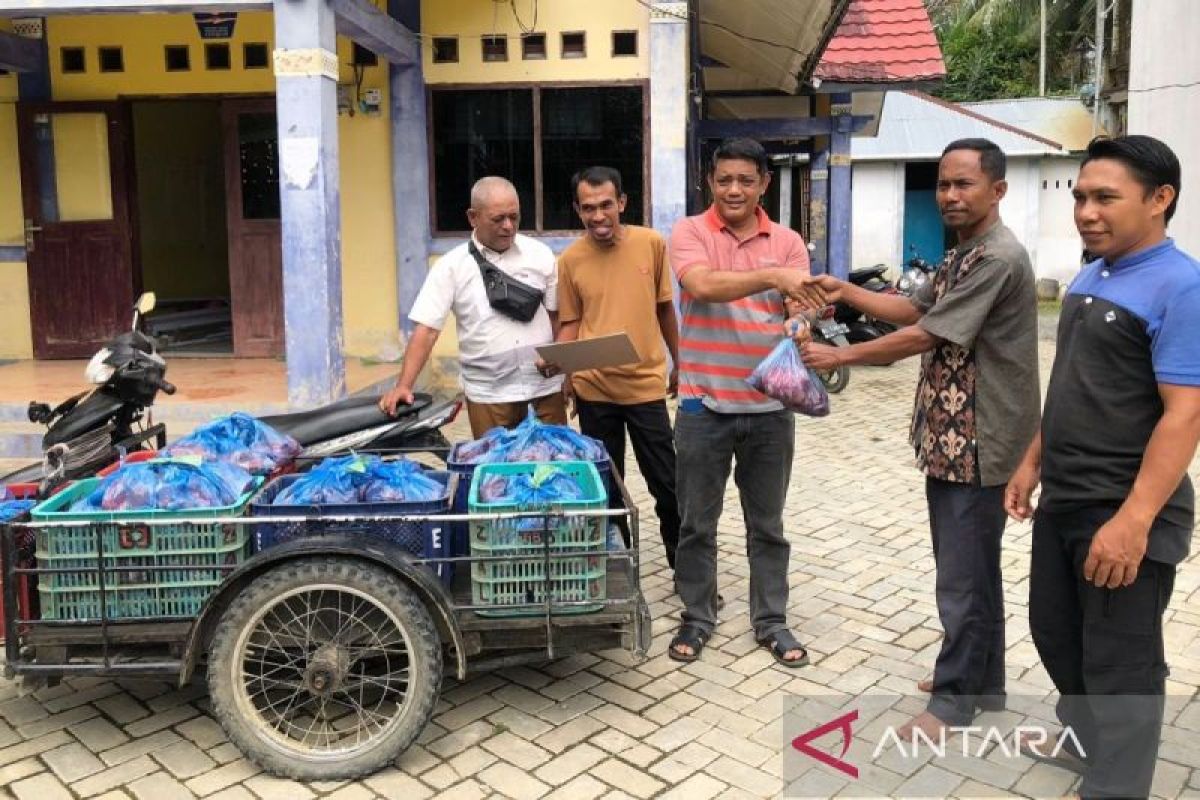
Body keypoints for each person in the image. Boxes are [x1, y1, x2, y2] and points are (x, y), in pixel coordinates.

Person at [800, 138, 1040, 736]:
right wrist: (843, 289)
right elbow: (912, 307)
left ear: (998, 190)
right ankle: (981, 682)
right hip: (952, 440)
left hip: (982, 441)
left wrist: (842, 356)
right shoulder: (965, 253)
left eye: (964, 184)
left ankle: (954, 703)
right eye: (943, 184)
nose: (950, 195)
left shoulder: (997, 259)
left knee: (962, 577)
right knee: (971, 571)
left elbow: (926, 334)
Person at [1005, 135, 1200, 799]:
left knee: (1122, 662)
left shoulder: (1182, 286)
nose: (1086, 210)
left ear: (1160, 199)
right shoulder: (1094, 274)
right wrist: (1032, 461)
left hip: (1125, 506)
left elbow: (1185, 417)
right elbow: (1068, 384)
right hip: (1067, 495)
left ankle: (1116, 786)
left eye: (1105, 198)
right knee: (1055, 631)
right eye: (1081, 197)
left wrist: (1135, 519)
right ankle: (1081, 739)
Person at [666, 137, 819, 667]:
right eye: (724, 179)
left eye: (746, 180)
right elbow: (702, 285)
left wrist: (800, 324)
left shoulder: (790, 241)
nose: (734, 189)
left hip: (771, 410)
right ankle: (697, 615)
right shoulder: (689, 233)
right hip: (702, 407)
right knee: (695, 525)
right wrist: (773, 276)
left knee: (768, 526)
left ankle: (771, 621)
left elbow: (803, 308)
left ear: (763, 185)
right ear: (710, 181)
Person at [543, 166, 682, 569]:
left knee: (668, 483)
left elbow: (663, 308)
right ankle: (621, 564)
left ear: (622, 202)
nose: (598, 215)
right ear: (577, 210)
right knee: (608, 485)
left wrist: (680, 363)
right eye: (588, 208)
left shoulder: (651, 244)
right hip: (594, 390)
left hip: (645, 388)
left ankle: (682, 564)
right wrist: (560, 367)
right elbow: (571, 322)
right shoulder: (569, 260)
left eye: (606, 205)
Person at [379, 176, 566, 436]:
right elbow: (427, 330)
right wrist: (404, 385)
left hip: (544, 390)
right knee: (495, 471)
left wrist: (565, 370)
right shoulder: (450, 266)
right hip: (489, 395)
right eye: (498, 219)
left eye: (514, 217)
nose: (508, 226)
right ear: (473, 217)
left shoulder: (540, 255)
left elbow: (557, 317)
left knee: (554, 469)